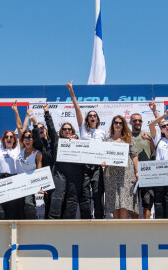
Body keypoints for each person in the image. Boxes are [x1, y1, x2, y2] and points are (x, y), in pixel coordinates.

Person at [66, 81, 106, 219]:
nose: (92, 117)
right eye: (90, 116)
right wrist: (72, 92)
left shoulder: (102, 133)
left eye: (94, 115)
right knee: (84, 194)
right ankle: (86, 219)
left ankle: (100, 218)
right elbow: (77, 109)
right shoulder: (83, 129)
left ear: (97, 119)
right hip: (84, 166)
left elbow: (107, 150)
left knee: (97, 193)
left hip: (97, 167)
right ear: (87, 120)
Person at [0, 102, 30, 219]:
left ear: (14, 139)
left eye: (11, 136)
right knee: (0, 211)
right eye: (7, 136)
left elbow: (22, 129)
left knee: (13, 210)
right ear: (4, 139)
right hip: (1, 179)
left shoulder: (18, 148)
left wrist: (23, 115)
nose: (9, 138)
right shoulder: (0, 148)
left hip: (14, 180)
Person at [102, 116, 139, 219]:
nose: (118, 125)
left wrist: (137, 171)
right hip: (111, 174)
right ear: (112, 124)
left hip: (126, 174)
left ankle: (124, 228)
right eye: (116, 122)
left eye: (120, 123)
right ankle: (117, 229)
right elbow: (102, 156)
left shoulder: (129, 139)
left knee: (124, 201)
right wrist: (103, 163)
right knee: (114, 202)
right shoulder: (106, 140)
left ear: (123, 125)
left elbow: (134, 156)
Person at [48, 121, 83, 219]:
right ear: (61, 131)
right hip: (59, 173)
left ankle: (69, 224)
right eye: (64, 129)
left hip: (74, 174)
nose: (67, 131)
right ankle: (53, 223)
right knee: (57, 198)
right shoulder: (57, 141)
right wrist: (47, 113)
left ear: (72, 131)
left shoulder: (78, 142)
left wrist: (76, 138)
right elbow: (51, 129)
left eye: (69, 129)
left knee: (72, 200)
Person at [30, 103, 56, 219]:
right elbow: (36, 137)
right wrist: (35, 125)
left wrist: (46, 113)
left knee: (58, 202)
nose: (40, 129)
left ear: (45, 130)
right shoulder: (39, 145)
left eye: (42, 128)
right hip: (46, 176)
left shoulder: (54, 142)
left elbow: (52, 128)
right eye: (38, 129)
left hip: (58, 175)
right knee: (48, 202)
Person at [130, 113, 155, 219]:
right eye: (135, 121)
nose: (137, 123)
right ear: (130, 122)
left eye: (139, 120)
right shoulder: (126, 136)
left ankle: (146, 227)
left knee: (147, 201)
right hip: (131, 171)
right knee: (134, 202)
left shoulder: (147, 134)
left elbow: (154, 151)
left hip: (147, 171)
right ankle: (135, 228)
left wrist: (150, 140)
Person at [16, 129, 42, 219]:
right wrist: (16, 113)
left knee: (28, 205)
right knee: (18, 208)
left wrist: (40, 186)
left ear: (34, 139)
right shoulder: (22, 149)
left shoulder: (37, 153)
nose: (27, 139)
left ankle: (33, 226)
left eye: (29, 137)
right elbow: (19, 127)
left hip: (29, 184)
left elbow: (39, 171)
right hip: (18, 184)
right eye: (25, 137)